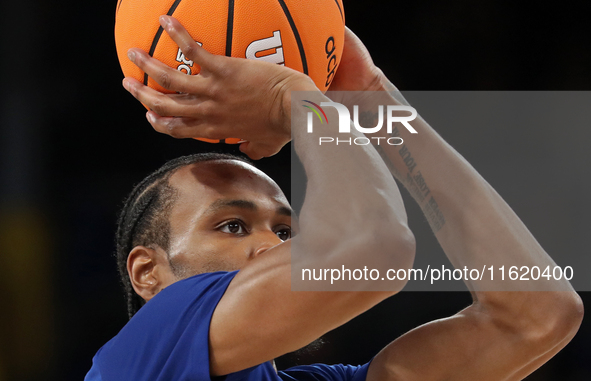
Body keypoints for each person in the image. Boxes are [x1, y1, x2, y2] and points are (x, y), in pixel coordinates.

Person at [86, 15, 583, 380]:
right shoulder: (140, 358)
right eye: (232, 225)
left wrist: (374, 100)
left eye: (287, 230)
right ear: (149, 273)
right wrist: (294, 97)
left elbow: (537, 315)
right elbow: (372, 249)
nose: (274, 245)